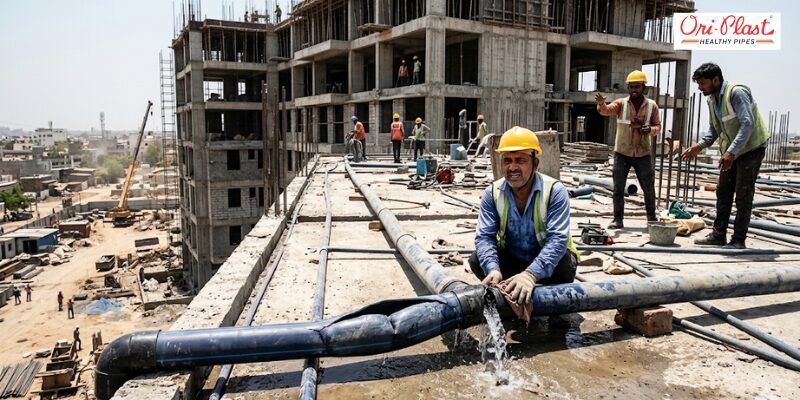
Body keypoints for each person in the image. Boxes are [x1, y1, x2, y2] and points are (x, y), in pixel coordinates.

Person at [471, 126, 579, 305]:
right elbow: (484, 238)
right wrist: (493, 269)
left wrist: (531, 275)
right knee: (477, 259)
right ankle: (509, 293)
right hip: (514, 260)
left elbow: (558, 240)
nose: (512, 167)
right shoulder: (492, 193)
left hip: (549, 265)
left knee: (565, 262)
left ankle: (553, 308)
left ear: (535, 164)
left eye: (520, 160)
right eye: (507, 161)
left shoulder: (554, 191)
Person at [681, 63, 770, 249]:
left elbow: (748, 124)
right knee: (723, 193)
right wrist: (699, 146)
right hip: (732, 152)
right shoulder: (711, 100)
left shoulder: (736, 93)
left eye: (702, 83)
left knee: (743, 195)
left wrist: (731, 151)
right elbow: (714, 130)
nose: (700, 88)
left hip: (751, 149)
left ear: (716, 80)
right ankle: (718, 235)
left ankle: (738, 240)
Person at [596, 70, 661, 229]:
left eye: (637, 86)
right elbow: (606, 111)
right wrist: (601, 104)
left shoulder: (652, 106)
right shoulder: (621, 104)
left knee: (648, 188)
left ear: (643, 87)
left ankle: (651, 218)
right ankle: (618, 219)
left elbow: (658, 126)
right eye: (631, 86)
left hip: (643, 153)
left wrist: (650, 130)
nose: (634, 89)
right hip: (622, 153)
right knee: (618, 188)